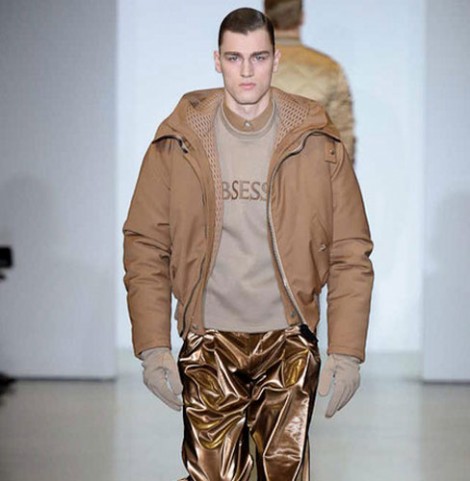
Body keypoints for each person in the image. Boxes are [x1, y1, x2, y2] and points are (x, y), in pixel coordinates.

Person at [123, 7, 373, 481]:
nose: (246, 71)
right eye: (234, 58)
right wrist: (152, 346)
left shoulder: (317, 143)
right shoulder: (179, 142)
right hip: (209, 339)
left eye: (258, 58)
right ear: (216, 60)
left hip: (288, 338)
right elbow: (145, 244)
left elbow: (350, 250)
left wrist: (347, 351)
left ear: (276, 60)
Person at [264, 0, 356, 163]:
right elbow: (344, 139)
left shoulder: (246, 68)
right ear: (302, 17)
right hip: (314, 174)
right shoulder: (329, 69)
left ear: (265, 17)